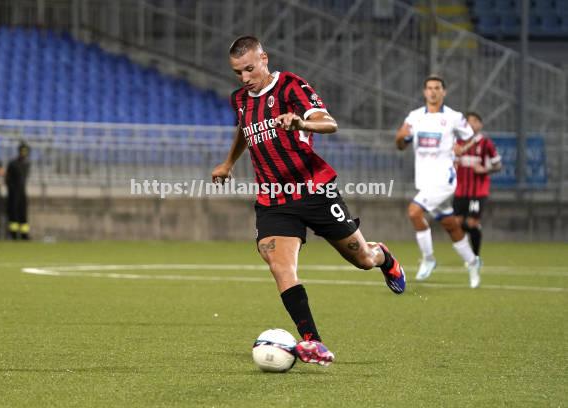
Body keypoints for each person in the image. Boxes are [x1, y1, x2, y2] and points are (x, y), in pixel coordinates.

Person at [211, 36, 405, 367]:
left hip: (315, 190)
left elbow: (329, 122)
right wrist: (228, 162)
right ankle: (312, 342)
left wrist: (301, 122)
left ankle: (382, 256)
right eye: (237, 72)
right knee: (280, 266)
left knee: (362, 260)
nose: (244, 78)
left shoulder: (290, 86)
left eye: (248, 69)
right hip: (273, 199)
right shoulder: (240, 99)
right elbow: (245, 128)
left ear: (264, 59)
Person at [395, 75, 481, 288]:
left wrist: (461, 148)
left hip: (444, 179)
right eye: (429, 88)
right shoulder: (415, 117)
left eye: (437, 88)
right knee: (450, 225)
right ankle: (473, 261)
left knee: (414, 212)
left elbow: (471, 136)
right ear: (424, 92)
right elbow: (400, 143)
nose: (433, 91)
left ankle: (429, 258)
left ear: (444, 92)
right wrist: (401, 137)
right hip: (424, 180)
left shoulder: (453, 117)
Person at [453, 112, 502, 257]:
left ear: (480, 124)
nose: (471, 124)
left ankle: (475, 257)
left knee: (471, 224)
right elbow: (450, 161)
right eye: (468, 121)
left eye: (475, 121)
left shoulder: (486, 143)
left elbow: (498, 165)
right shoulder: (457, 143)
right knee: (456, 225)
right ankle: (469, 254)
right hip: (460, 191)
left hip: (478, 192)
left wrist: (485, 169)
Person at [6, 142, 31, 240]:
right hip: (13, 193)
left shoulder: (27, 164)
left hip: (22, 192)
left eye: (26, 152)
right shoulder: (13, 164)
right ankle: (14, 235)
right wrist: (11, 189)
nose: (24, 153)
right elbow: (8, 179)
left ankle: (24, 236)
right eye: (22, 151)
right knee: (14, 214)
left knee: (23, 214)